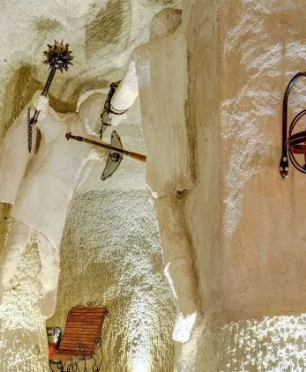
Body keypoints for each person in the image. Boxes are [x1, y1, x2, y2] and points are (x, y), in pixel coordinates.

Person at [108, 8, 202, 342]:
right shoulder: (188, 42)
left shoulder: (144, 55)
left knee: (170, 225)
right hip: (190, 149)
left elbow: (122, 100)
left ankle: (187, 304)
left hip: (163, 157)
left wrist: (112, 115)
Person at [0, 89, 106, 318]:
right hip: (37, 188)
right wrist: (39, 102)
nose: (97, 117)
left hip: (58, 198)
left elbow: (105, 154)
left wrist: (110, 154)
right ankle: (0, 282)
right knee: (18, 240)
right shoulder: (62, 126)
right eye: (96, 111)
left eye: (100, 114)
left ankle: (50, 291)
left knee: (49, 247)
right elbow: (42, 117)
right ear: (86, 109)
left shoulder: (92, 143)